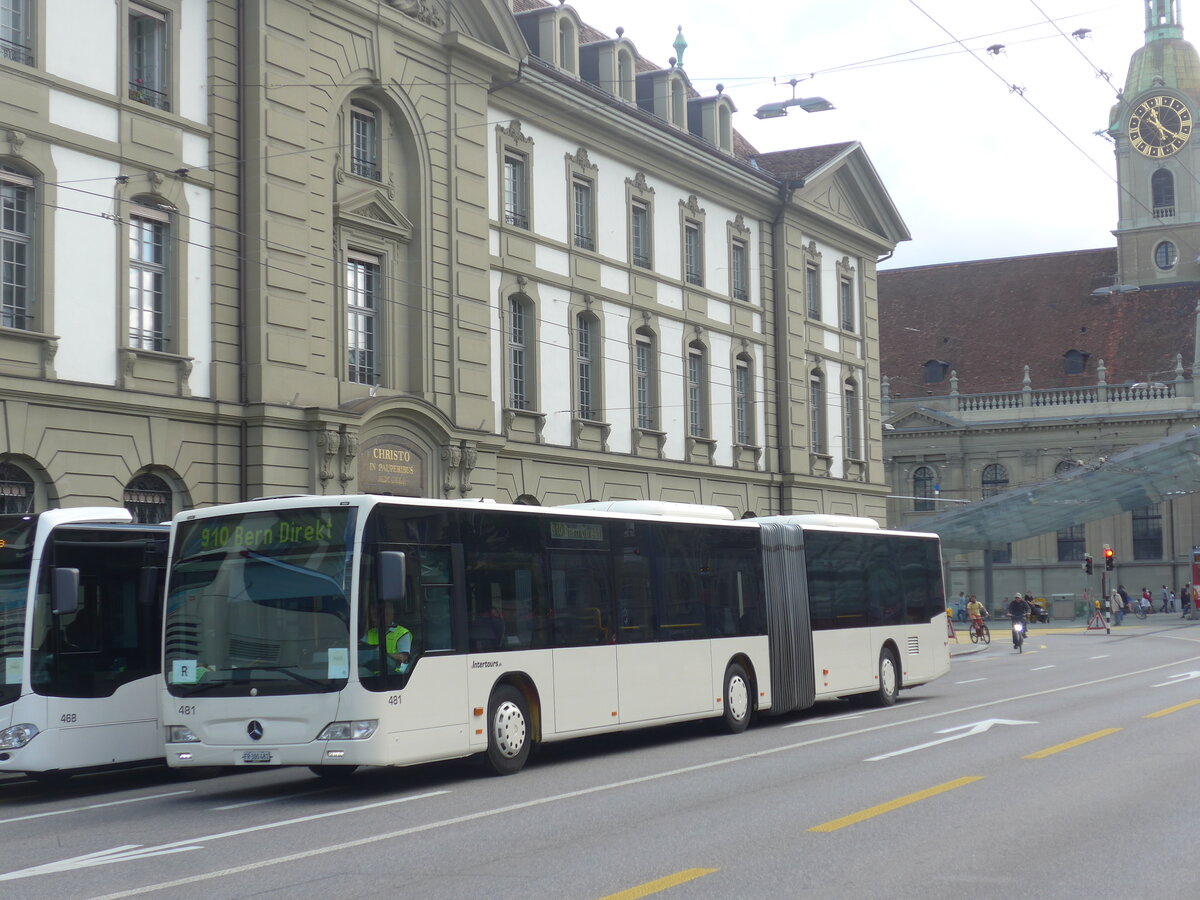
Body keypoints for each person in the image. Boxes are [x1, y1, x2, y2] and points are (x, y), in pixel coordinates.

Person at [362, 602, 412, 674]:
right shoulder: (369, 633)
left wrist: (377, 656)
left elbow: (404, 657)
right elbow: (360, 652)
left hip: (393, 675)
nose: (373, 619)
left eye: (375, 615)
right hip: (370, 674)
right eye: (372, 615)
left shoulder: (402, 633)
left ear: (386, 615)